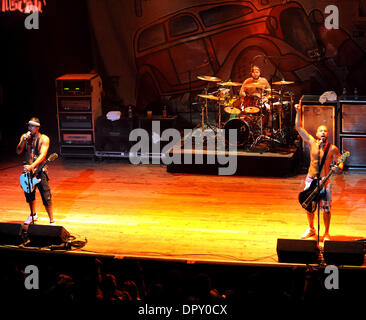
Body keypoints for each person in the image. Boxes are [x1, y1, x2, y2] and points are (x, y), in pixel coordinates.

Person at [294, 104, 343, 241]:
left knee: (326, 209)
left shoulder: (333, 149)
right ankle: (311, 228)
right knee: (309, 206)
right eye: (320, 130)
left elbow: (340, 163)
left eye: (325, 131)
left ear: (328, 134)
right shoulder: (311, 142)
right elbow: (299, 127)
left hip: (324, 181)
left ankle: (326, 233)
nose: (322, 132)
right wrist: (298, 112)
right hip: (311, 180)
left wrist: (337, 167)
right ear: (316, 134)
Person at [16, 117, 55, 225]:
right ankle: (33, 214)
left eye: (32, 126)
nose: (30, 128)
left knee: (46, 195)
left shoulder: (44, 138)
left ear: (37, 127)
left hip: (39, 170)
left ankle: (51, 220)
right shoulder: (24, 136)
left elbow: (42, 156)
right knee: (29, 194)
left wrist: (32, 166)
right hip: (28, 171)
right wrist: (24, 140)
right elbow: (18, 151)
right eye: (29, 125)